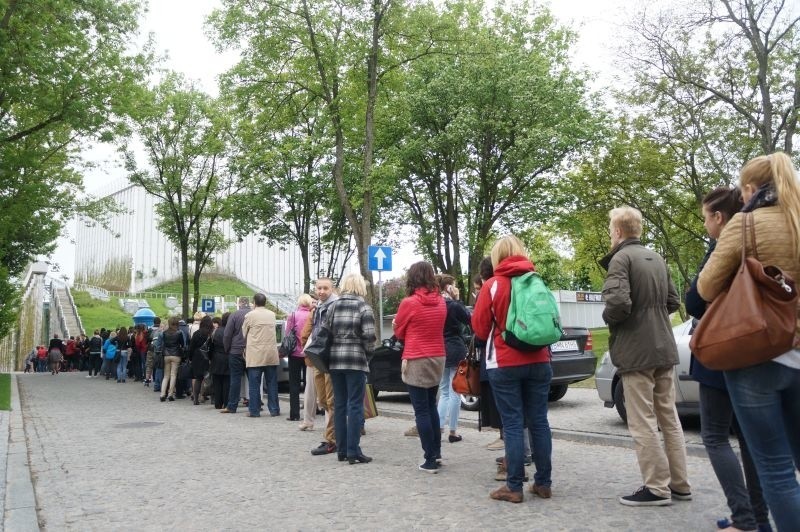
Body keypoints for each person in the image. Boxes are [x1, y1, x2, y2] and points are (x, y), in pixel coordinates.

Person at [697, 152, 800, 532]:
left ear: (752, 188)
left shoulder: (745, 224)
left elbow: (706, 286)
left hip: (758, 352)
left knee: (775, 468)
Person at [685, 187, 772, 532]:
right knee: (749, 437)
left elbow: (695, 299)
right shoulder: (761, 236)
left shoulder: (724, 244)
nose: (706, 224)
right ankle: (758, 517)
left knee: (715, 435)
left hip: (722, 347)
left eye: (706, 218)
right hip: (756, 347)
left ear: (719, 218)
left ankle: (744, 518)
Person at [601, 206, 690, 507]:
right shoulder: (658, 259)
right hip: (664, 347)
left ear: (617, 231)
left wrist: (613, 318)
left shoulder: (621, 259)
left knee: (642, 421)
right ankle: (679, 484)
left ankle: (656, 488)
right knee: (669, 417)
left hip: (637, 353)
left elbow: (617, 304)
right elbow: (674, 301)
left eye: (610, 230)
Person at [471, 236, 554, 503]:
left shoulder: (493, 285)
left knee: (514, 424)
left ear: (496, 258)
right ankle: (543, 483)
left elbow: (481, 329)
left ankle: (514, 486)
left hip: (505, 363)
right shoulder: (536, 280)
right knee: (539, 421)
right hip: (540, 360)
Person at [307, 274, 376, 464]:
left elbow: (324, 333)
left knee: (338, 404)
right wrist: (367, 357)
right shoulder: (364, 307)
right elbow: (370, 338)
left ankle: (342, 449)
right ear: (361, 287)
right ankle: (354, 451)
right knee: (355, 406)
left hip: (335, 362)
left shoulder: (334, 306)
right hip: (355, 361)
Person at [393, 261, 447, 473]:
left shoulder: (410, 303)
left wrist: (400, 326)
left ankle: (430, 458)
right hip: (438, 356)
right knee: (432, 406)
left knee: (421, 410)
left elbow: (399, 332)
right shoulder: (441, 301)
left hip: (416, 357)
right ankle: (438, 452)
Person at [436, 274, 471, 444]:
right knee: (456, 389)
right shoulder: (453, 305)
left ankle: (439, 427)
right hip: (455, 349)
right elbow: (470, 319)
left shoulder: (435, 303)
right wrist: (457, 299)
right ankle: (453, 431)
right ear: (449, 287)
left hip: (440, 349)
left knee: (444, 391)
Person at [308, 278, 339, 456]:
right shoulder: (319, 306)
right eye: (319, 288)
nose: (321, 291)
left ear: (331, 288)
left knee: (331, 399)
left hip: (329, 357)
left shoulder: (335, 305)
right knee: (323, 400)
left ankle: (332, 439)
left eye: (325, 288)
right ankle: (334, 434)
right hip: (318, 355)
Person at [242, 293, 280, 417]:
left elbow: (244, 333)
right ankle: (274, 409)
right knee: (272, 383)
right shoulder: (272, 315)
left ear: (254, 302)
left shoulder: (250, 315)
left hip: (255, 354)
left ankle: (254, 410)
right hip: (270, 353)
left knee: (254, 384)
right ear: (265, 302)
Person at [284, 294, 313, 422]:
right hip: (309, 354)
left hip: (295, 353)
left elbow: (287, 334)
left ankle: (294, 414)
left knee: (294, 384)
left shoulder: (293, 315)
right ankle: (311, 412)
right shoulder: (313, 315)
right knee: (309, 385)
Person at [221, 297, 251, 414]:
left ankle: (232, 406)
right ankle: (255, 404)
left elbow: (227, 334)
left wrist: (227, 348)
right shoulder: (253, 314)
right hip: (250, 351)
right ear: (248, 304)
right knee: (253, 379)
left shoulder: (234, 315)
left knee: (235, 379)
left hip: (235, 351)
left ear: (239, 304)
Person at [298, 298, 318, 431]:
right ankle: (331, 423)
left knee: (311, 390)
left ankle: (308, 420)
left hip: (314, 356)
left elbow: (304, 334)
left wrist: (306, 347)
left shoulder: (315, 313)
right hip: (332, 358)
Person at [159, 317, 186, 402]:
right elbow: (183, 344)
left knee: (166, 376)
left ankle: (162, 394)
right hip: (176, 355)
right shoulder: (179, 332)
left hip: (166, 355)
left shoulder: (164, 333)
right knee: (173, 375)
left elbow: (163, 343)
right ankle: (170, 394)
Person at [188, 315, 213, 405]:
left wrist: (190, 358)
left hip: (197, 357)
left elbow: (191, 347)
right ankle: (208, 397)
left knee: (198, 379)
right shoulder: (210, 334)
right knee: (208, 378)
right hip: (207, 357)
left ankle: (195, 399)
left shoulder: (197, 333)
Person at [210, 313, 230, 409]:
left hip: (216, 357)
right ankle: (226, 402)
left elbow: (211, 345)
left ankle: (217, 403)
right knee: (227, 381)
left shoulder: (216, 331)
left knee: (217, 381)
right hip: (227, 357)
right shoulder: (230, 331)